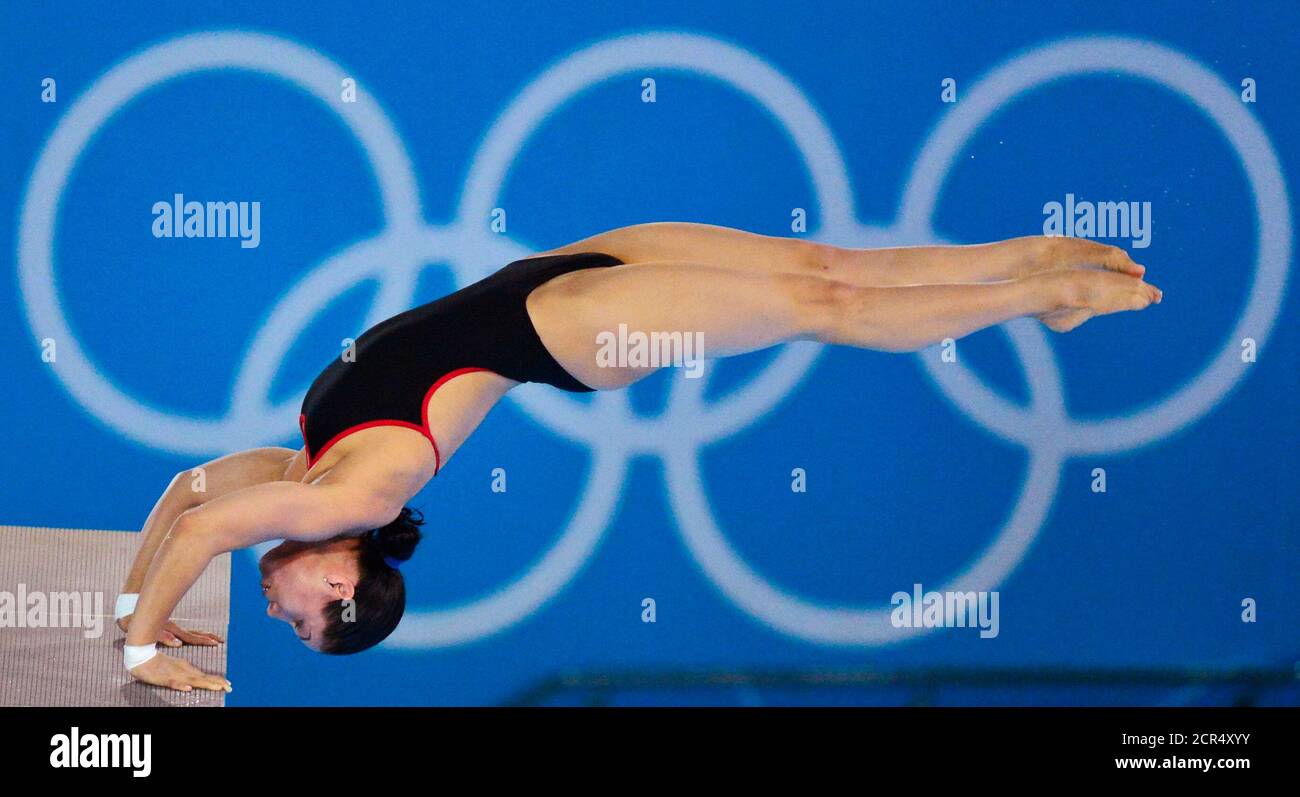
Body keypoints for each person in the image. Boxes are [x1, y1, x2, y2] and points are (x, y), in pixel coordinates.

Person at [114, 222, 1160, 692]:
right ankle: (1042, 297)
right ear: (344, 579)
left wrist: (134, 626)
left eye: (286, 620)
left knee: (823, 266)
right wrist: (144, 643)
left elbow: (187, 499)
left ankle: (1025, 260)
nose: (272, 604)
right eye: (298, 618)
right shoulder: (348, 491)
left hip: (560, 273)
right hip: (572, 328)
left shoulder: (304, 479)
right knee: (820, 304)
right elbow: (203, 525)